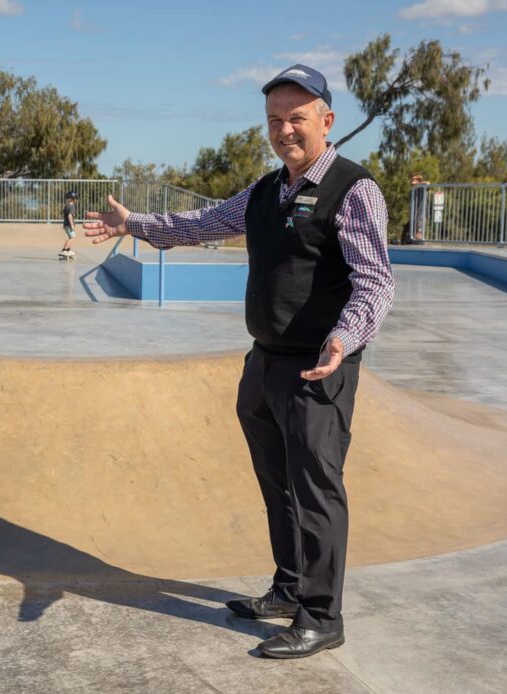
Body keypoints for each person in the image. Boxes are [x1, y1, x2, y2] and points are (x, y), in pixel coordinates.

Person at [83, 64, 394, 659]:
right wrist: (135, 224)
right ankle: (289, 587)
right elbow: (203, 223)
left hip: (318, 369)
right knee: (278, 485)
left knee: (316, 491)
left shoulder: (354, 189)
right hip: (264, 363)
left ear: (327, 121)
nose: (284, 131)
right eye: (274, 120)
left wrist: (344, 337)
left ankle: (322, 617)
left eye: (296, 118)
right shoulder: (265, 191)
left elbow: (375, 280)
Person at [59, 190, 78, 260]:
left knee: (70, 237)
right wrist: (72, 225)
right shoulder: (72, 206)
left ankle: (68, 250)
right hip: (69, 225)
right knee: (72, 237)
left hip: (66, 225)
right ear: (74, 199)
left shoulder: (67, 206)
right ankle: (64, 250)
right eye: (76, 199)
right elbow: (69, 216)